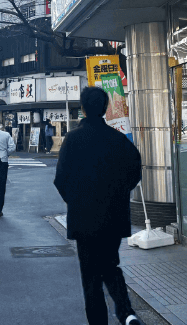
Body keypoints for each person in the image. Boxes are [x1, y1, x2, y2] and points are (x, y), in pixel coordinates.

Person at [54, 86, 142, 325]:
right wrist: (120, 192)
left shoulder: (73, 139)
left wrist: (75, 200)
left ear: (82, 108)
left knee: (90, 275)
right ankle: (126, 312)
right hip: (114, 215)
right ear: (105, 108)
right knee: (110, 264)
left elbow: (61, 178)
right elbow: (135, 171)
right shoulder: (118, 139)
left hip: (84, 217)